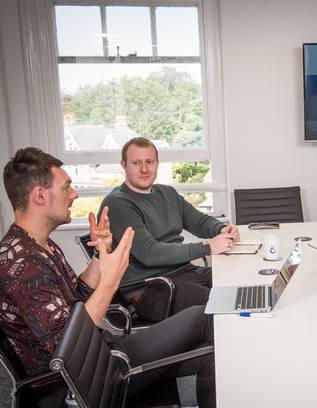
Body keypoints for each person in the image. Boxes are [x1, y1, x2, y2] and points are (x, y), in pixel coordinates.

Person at [0, 148, 216, 407]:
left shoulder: (39, 245)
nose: (74, 194)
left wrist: (101, 257)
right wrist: (111, 281)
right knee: (204, 318)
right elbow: (67, 349)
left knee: (210, 356)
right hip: (83, 378)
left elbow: (76, 300)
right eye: (66, 187)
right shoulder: (21, 262)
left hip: (100, 353)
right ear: (39, 195)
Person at [100, 137, 239, 321]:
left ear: (157, 163)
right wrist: (207, 248)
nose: (144, 169)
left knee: (240, 285)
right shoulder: (118, 203)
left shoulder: (168, 193)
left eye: (149, 162)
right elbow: (150, 253)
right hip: (150, 290)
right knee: (226, 305)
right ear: (123, 165)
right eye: (136, 163)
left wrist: (221, 229)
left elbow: (199, 222)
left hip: (184, 273)